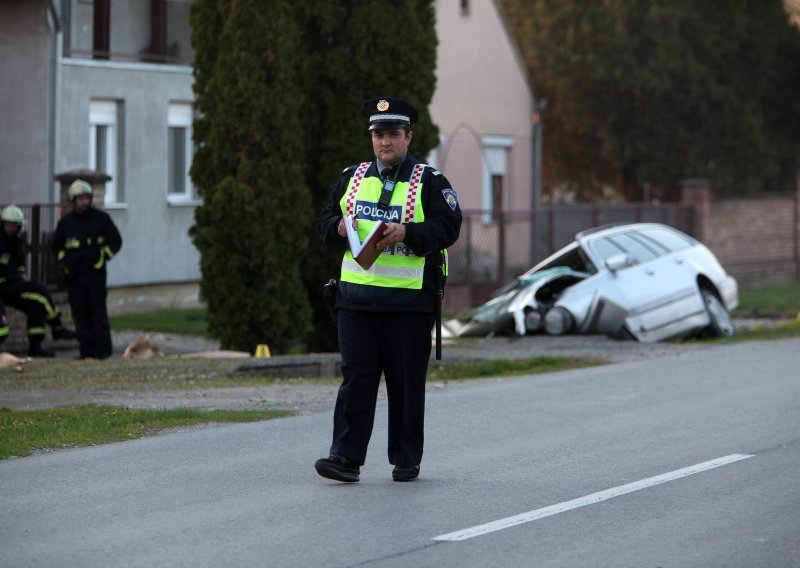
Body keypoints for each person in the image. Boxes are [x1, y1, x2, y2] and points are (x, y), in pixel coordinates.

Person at [315, 97, 462, 483]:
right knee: (356, 381)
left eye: (393, 134)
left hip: (408, 303)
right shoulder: (352, 177)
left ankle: (406, 458)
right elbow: (325, 219)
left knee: (406, 384)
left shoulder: (430, 182)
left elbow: (449, 228)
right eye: (379, 134)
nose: (385, 142)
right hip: (356, 301)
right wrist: (337, 228)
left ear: (408, 137)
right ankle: (345, 458)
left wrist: (408, 232)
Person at [52, 180, 122, 360]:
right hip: (75, 277)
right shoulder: (65, 224)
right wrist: (65, 262)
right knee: (80, 315)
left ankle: (103, 352)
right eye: (81, 198)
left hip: (96, 275)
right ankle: (86, 353)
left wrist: (103, 257)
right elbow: (56, 247)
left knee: (98, 313)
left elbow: (116, 241)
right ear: (73, 201)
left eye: (87, 198)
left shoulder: (100, 219)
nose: (85, 202)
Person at [0, 205, 77, 357]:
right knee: (39, 293)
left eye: (15, 225)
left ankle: (36, 346)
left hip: (12, 285)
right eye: (8, 224)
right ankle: (57, 326)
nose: (11, 228)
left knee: (36, 303)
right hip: (3, 285)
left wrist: (21, 274)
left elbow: (19, 264)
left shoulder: (16, 242)